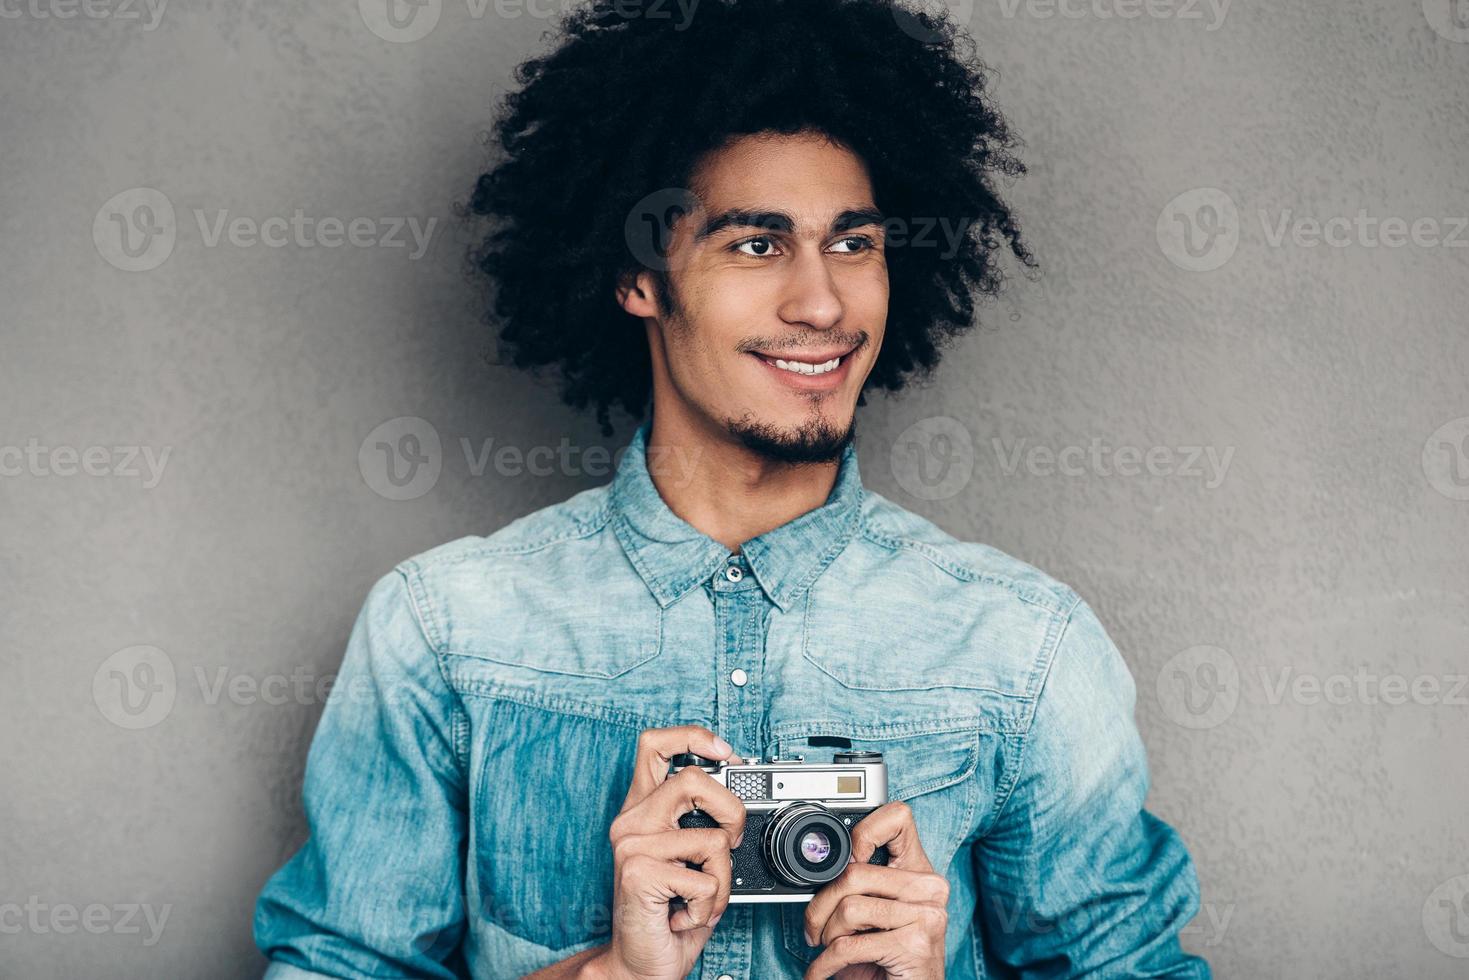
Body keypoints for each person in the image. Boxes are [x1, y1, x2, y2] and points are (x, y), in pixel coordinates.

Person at [253, 1, 1210, 976]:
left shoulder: (1025, 649)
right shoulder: (443, 633)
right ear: (640, 278)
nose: (821, 302)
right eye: (756, 244)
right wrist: (608, 974)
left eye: (852, 243)